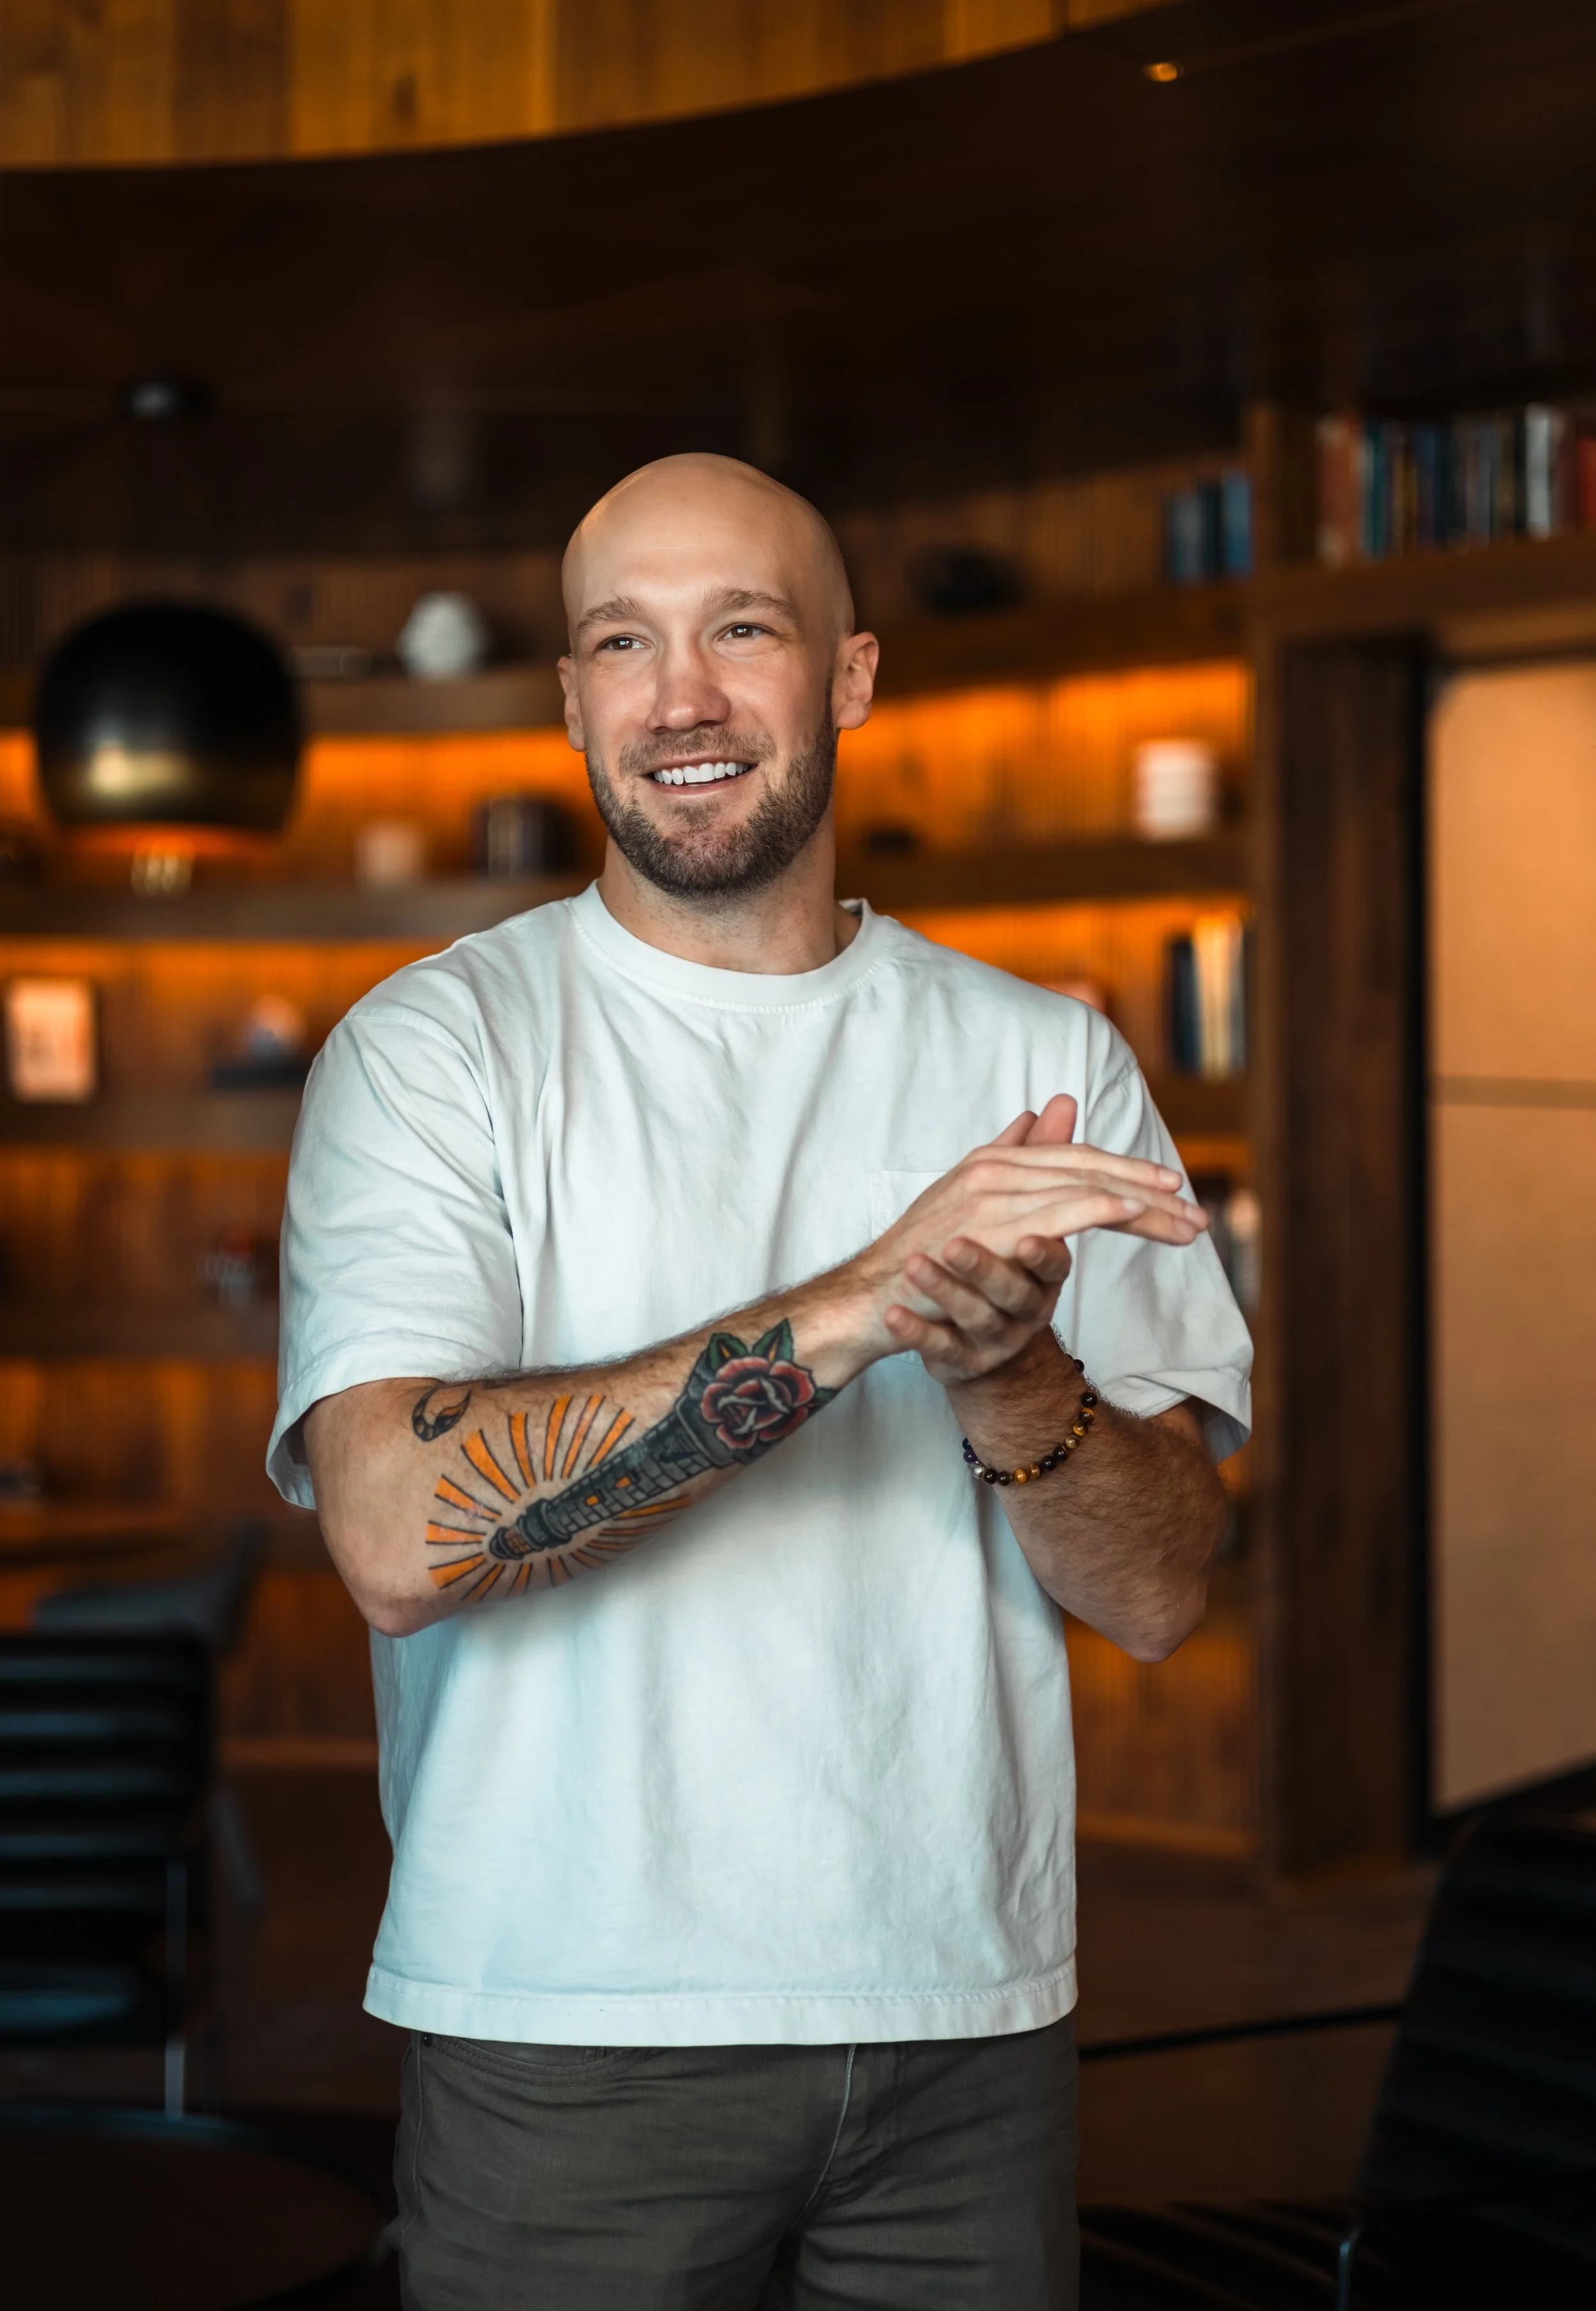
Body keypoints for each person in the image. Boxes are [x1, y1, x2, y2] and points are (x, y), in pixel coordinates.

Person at [269, 452, 1252, 2310]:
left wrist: (1010, 1369)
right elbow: (397, 1533)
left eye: (744, 627)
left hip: (967, 2020)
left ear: (853, 677)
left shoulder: (1045, 1058)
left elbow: (1161, 1587)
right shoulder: (433, 1051)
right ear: (571, 701)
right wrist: (863, 1305)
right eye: (623, 641)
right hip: (564, 2026)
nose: (683, 694)